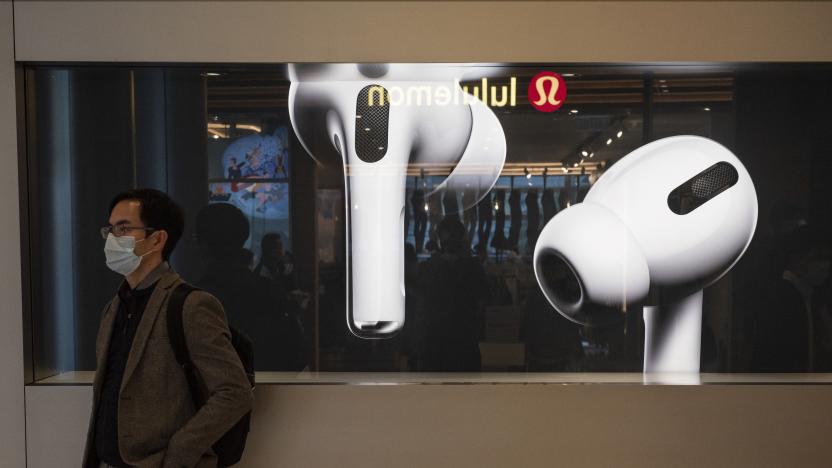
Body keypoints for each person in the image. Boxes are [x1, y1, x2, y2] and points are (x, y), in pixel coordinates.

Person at [84, 189, 253, 468]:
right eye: (110, 229)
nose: (113, 238)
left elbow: (234, 392)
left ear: (157, 238)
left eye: (124, 228)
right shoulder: (113, 308)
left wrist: (179, 453)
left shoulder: (190, 305)